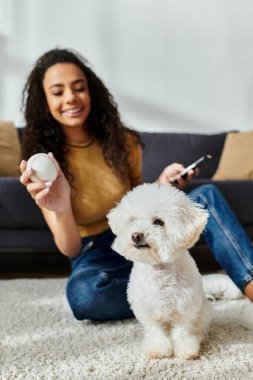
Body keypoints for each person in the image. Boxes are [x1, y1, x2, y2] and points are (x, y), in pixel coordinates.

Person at [20, 48, 253, 326]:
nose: (70, 97)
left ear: (91, 91)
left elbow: (136, 201)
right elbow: (70, 248)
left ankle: (250, 285)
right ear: (44, 102)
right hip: (93, 253)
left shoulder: (121, 141)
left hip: (139, 234)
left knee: (206, 195)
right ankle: (196, 288)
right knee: (85, 296)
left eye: (79, 88)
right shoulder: (43, 161)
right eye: (57, 92)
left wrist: (161, 185)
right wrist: (61, 206)